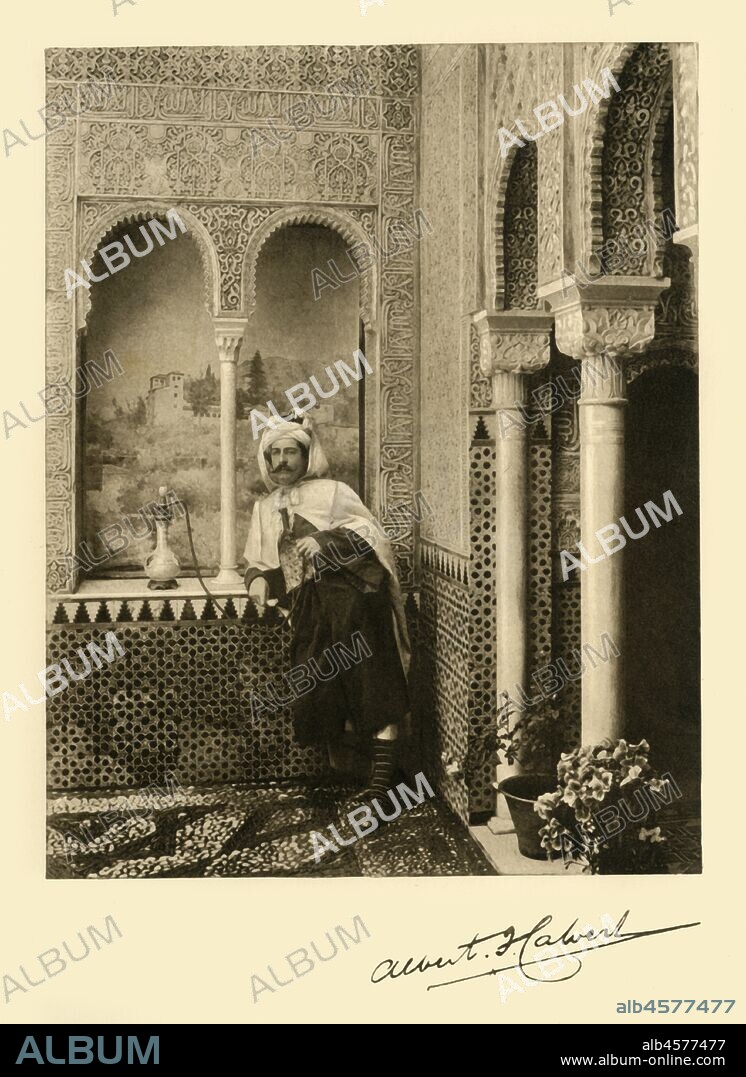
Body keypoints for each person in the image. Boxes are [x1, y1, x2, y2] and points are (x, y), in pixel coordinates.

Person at [243, 414, 410, 801]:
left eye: (290, 452)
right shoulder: (264, 508)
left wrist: (327, 541)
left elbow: (374, 538)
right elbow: (259, 560)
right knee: (323, 695)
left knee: (373, 689)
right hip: (311, 614)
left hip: (356, 608)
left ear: (306, 455)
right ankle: (368, 775)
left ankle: (381, 786)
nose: (282, 460)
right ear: (266, 460)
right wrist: (255, 580)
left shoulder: (334, 492)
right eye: (275, 454)